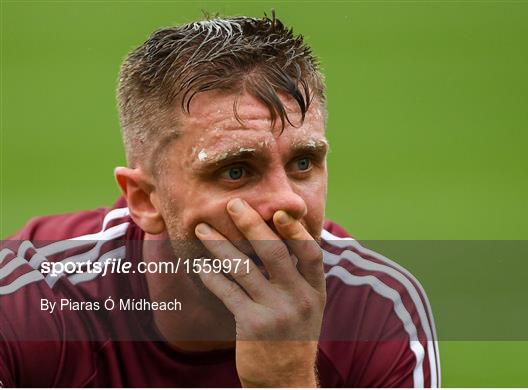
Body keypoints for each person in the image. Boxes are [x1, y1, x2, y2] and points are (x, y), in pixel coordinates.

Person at [0, 14, 440, 387]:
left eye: (303, 163)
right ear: (145, 199)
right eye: (236, 171)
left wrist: (287, 381)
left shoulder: (376, 309)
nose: (287, 203)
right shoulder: (32, 302)